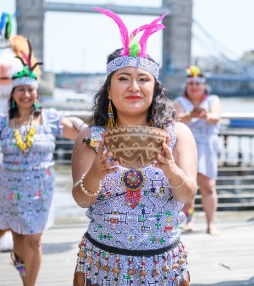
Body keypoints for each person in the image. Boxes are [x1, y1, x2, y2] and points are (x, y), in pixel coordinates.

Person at [71, 7, 197, 285]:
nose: (134, 87)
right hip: (103, 264)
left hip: (162, 264)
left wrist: (171, 168)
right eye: (123, 78)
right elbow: (81, 199)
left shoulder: (178, 135)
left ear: (155, 88)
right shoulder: (90, 137)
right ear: (109, 88)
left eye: (143, 79)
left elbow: (188, 194)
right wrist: (96, 172)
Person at [0, 40, 85, 286]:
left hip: (39, 193)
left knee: (34, 241)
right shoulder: (4, 122)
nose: (26, 94)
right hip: (10, 193)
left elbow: (78, 128)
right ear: (13, 94)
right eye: (20, 90)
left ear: (36, 92)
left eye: (30, 89)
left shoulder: (50, 119)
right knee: (18, 243)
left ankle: (29, 284)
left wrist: (91, 132)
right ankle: (22, 272)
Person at [174, 66, 221, 235]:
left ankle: (211, 223)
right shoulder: (180, 101)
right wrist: (191, 115)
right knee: (188, 185)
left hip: (207, 147)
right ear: (187, 86)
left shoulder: (212, 100)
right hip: (187, 147)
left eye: (198, 84)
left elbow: (216, 117)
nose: (194, 87)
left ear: (204, 86)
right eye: (191, 83)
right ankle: (189, 219)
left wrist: (205, 116)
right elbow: (177, 119)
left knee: (208, 186)